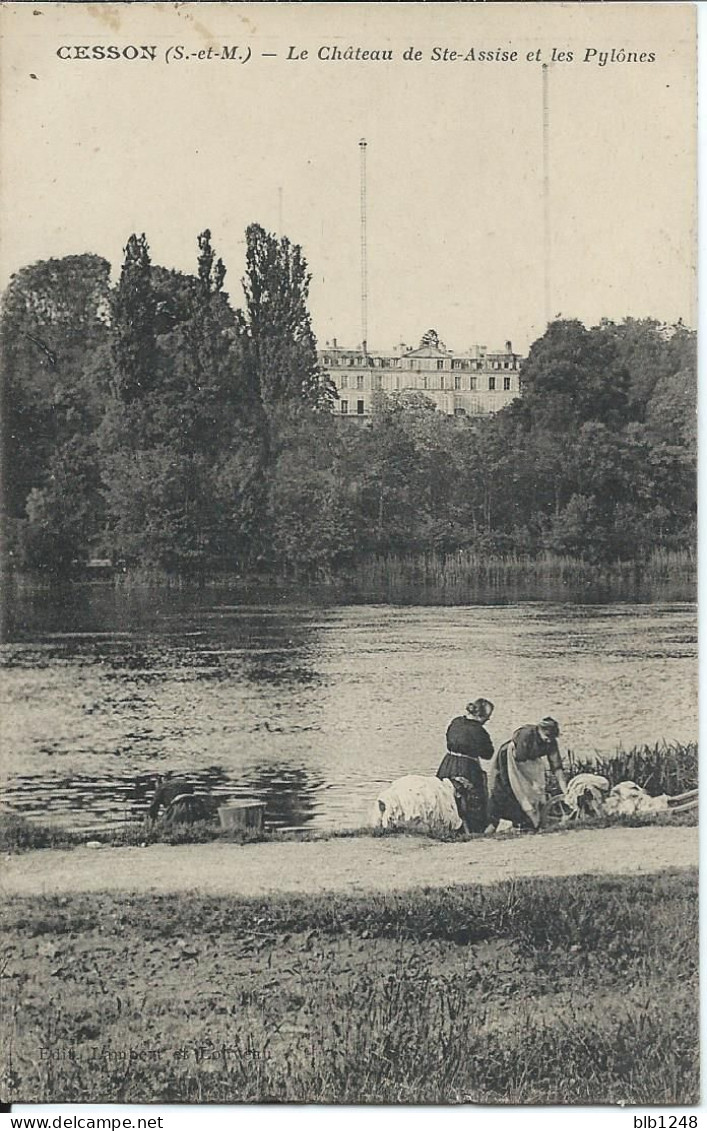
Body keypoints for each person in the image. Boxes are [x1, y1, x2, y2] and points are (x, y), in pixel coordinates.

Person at [486, 716, 568, 832]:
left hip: (530, 762)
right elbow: (519, 757)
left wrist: (565, 791)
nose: (549, 740)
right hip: (510, 759)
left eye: (552, 738)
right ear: (539, 731)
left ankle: (529, 822)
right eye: (547, 737)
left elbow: (557, 766)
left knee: (536, 791)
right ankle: (504, 824)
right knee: (510, 790)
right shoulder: (527, 735)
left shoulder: (551, 742)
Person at [436, 698, 495, 833]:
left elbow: (448, 739)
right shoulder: (479, 731)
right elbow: (488, 754)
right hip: (468, 767)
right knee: (474, 799)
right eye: (488, 717)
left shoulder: (455, 722)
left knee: (445, 794)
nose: (488, 720)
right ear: (481, 716)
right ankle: (474, 830)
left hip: (448, 762)